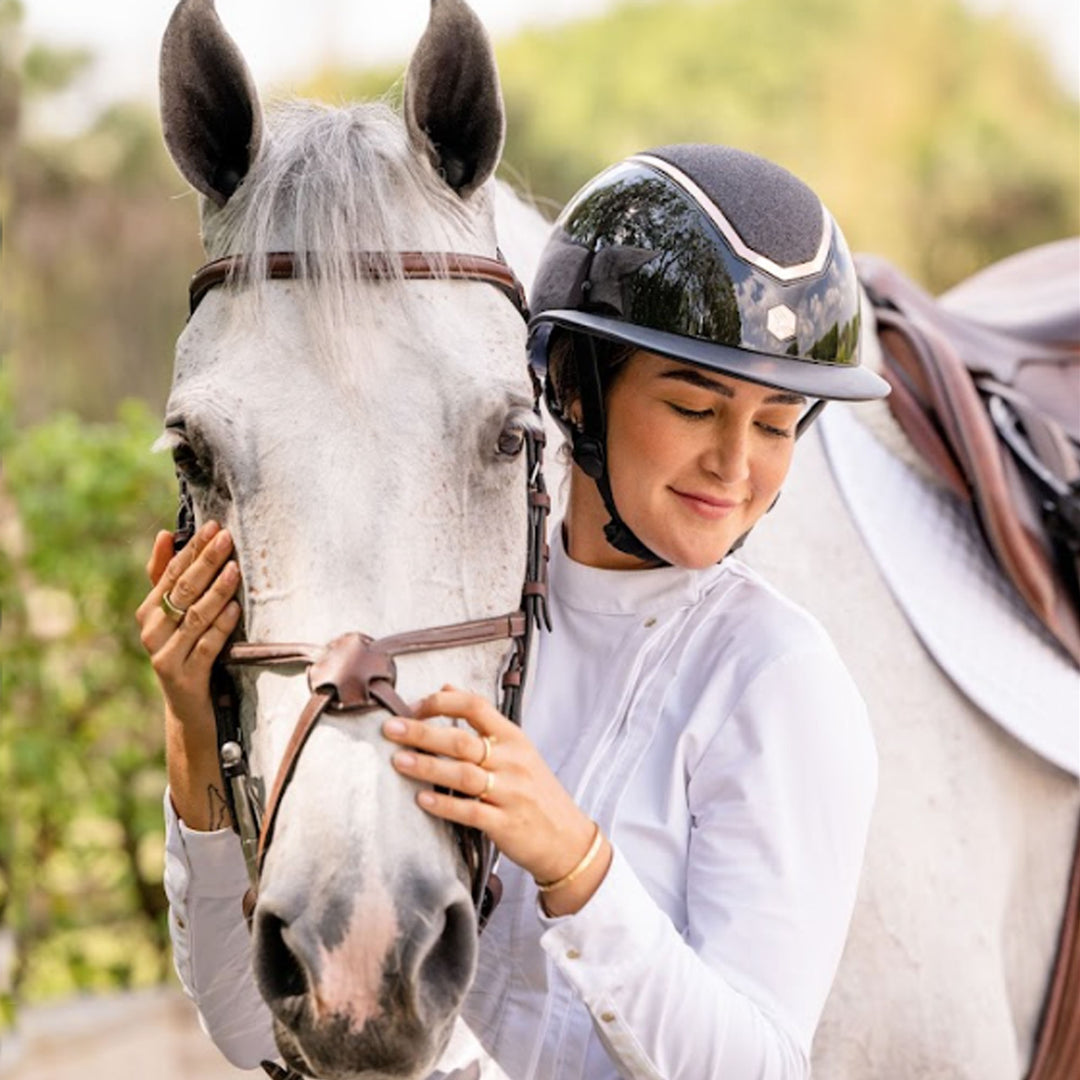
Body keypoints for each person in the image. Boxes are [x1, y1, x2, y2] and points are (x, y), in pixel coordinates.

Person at [137, 143, 889, 1079]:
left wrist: (574, 861)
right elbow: (251, 1032)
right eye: (696, 407)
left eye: (776, 424)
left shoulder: (781, 682)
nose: (737, 464)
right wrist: (192, 731)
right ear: (575, 386)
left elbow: (761, 1068)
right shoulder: (446, 621)